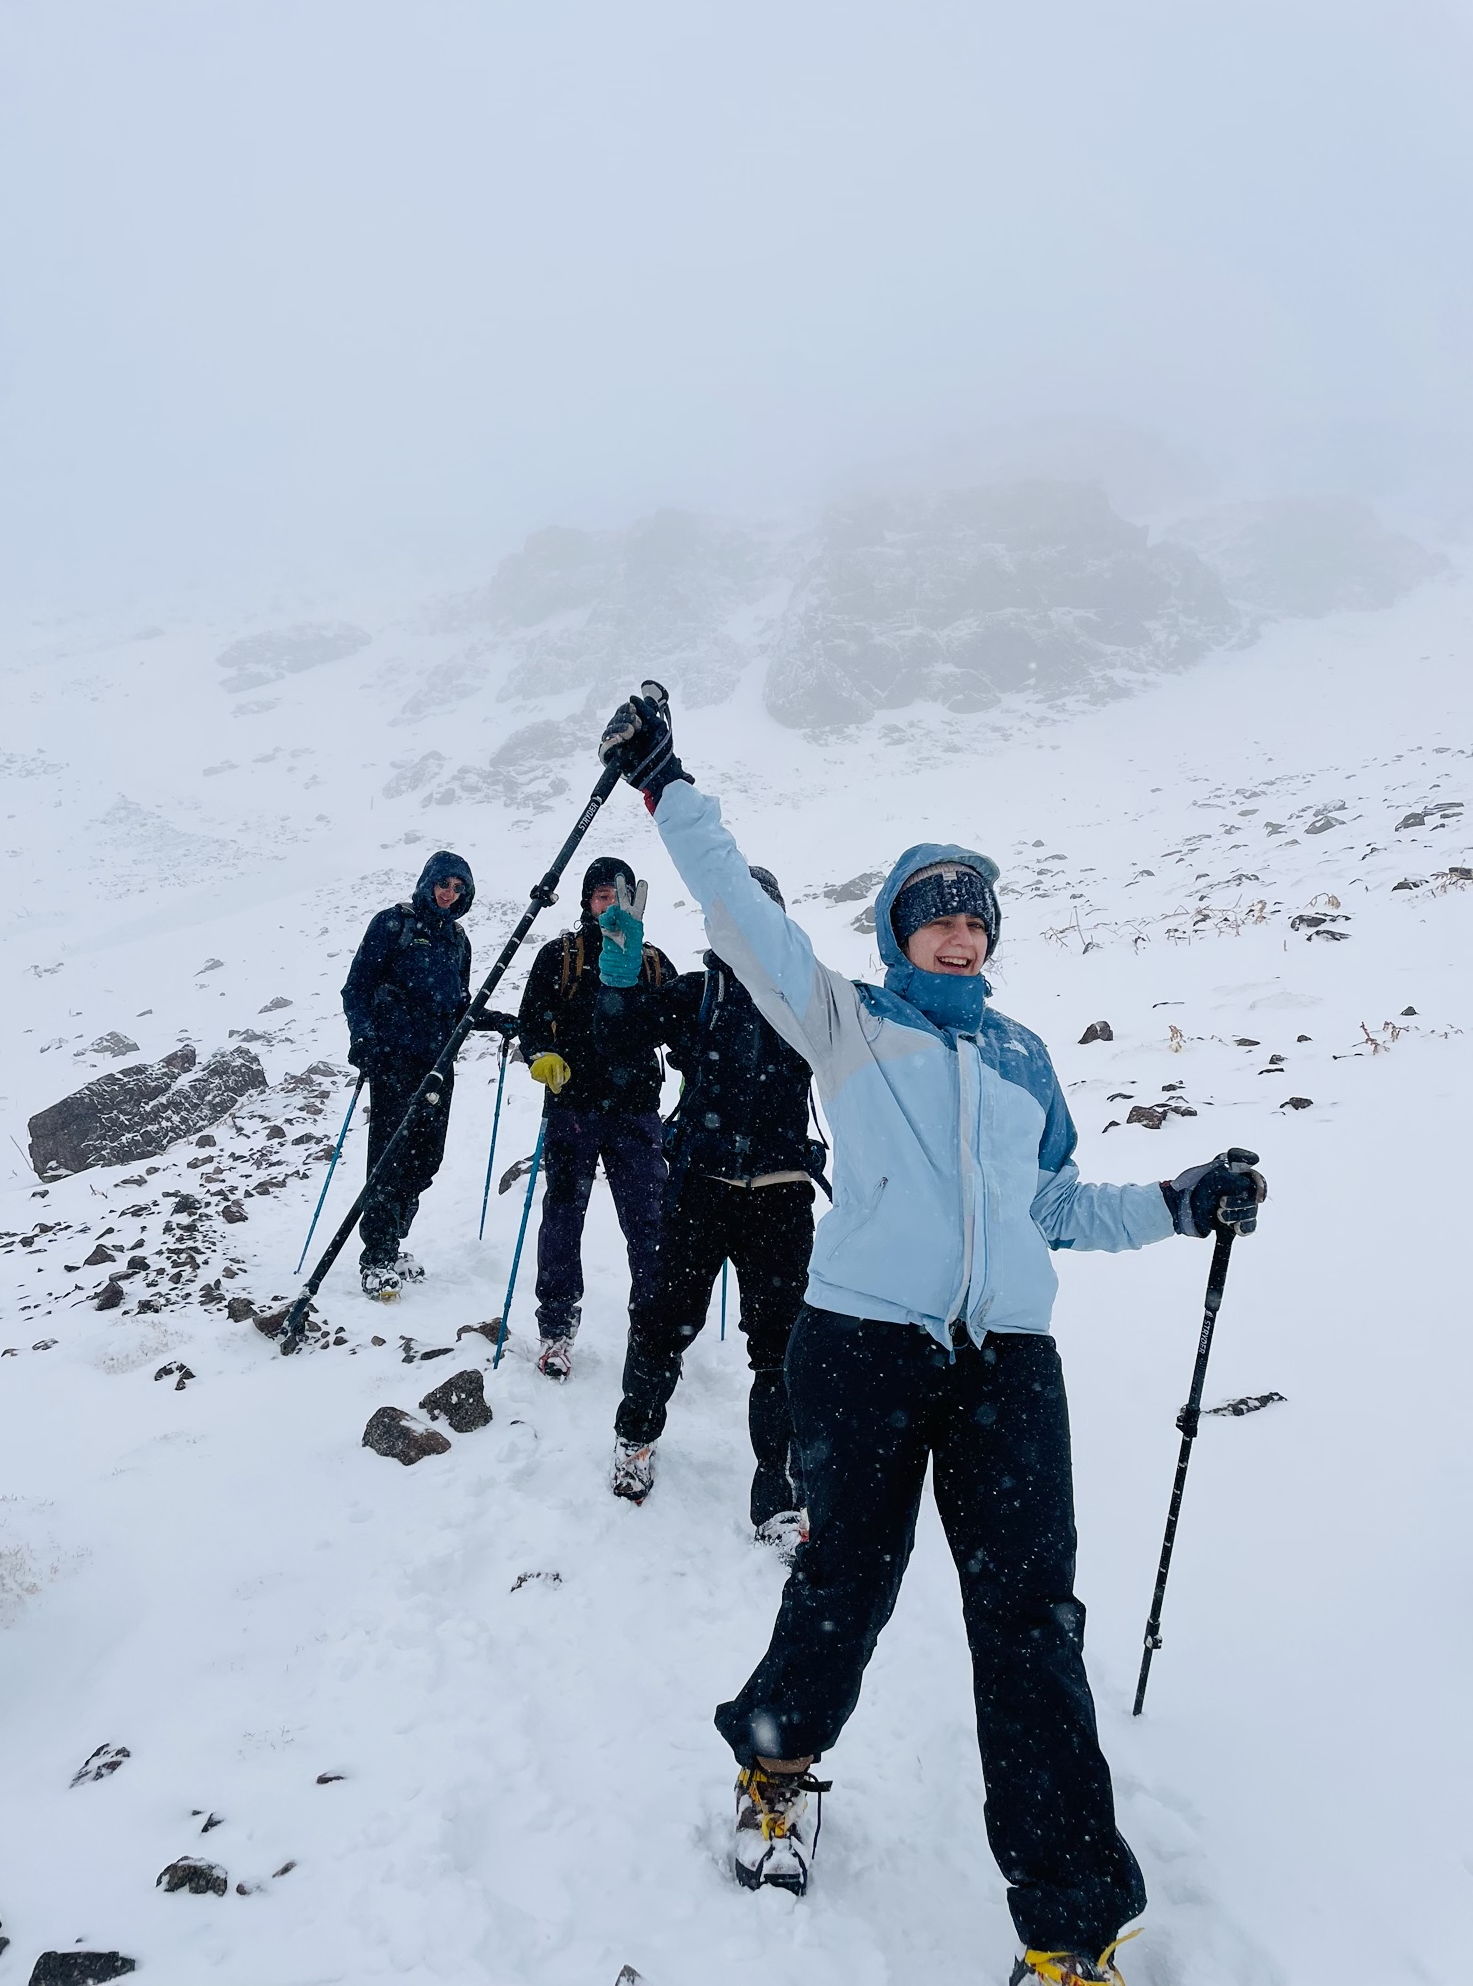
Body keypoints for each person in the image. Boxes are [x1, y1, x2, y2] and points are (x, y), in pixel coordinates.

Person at [596, 686, 1268, 1986]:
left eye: (974, 916)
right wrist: (666, 782)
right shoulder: (848, 1020)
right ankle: (778, 1765)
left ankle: (1070, 1932)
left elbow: (1054, 1206)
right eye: (936, 913)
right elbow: (734, 907)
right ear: (900, 930)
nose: (959, 932)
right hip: (863, 1351)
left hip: (1008, 1365)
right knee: (846, 1581)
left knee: (1032, 1627)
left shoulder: (1023, 1059)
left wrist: (1179, 1204)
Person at [593, 866, 822, 1542]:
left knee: (781, 1347)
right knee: (662, 1322)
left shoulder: (809, 998)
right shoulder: (697, 994)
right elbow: (618, 1038)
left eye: (759, 914)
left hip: (781, 1193)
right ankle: (635, 1437)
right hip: (700, 1188)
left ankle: (779, 1487)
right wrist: (619, 979)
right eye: (733, 914)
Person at [515, 856, 673, 1380]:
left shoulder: (653, 962)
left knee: (650, 1220)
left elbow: (679, 1029)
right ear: (587, 900)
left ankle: (652, 1327)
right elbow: (531, 1020)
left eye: (619, 896)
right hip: (573, 1107)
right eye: (603, 895)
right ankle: (556, 1327)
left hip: (636, 1111)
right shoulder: (560, 956)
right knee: (564, 1216)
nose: (610, 905)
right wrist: (540, 1054)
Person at [341, 849, 515, 1300]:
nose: (449, 894)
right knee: (390, 1156)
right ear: (428, 882)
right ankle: (377, 1256)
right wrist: (364, 1038)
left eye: (459, 888)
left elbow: (459, 1007)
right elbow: (356, 988)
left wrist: (493, 1020)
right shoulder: (392, 925)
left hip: (438, 1063)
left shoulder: (458, 941)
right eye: (444, 884)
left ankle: (394, 1240)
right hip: (393, 1059)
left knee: (425, 1159)